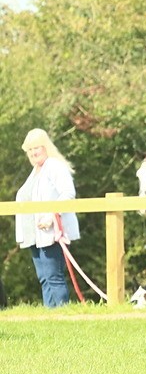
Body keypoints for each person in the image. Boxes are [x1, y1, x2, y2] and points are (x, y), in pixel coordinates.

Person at [14, 129, 79, 308]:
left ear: (46, 147)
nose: (34, 153)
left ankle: (61, 316)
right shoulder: (36, 170)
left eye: (37, 148)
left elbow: (68, 193)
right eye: (30, 149)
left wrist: (52, 216)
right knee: (44, 278)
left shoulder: (54, 165)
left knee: (54, 276)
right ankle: (49, 316)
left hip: (51, 231)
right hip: (34, 234)